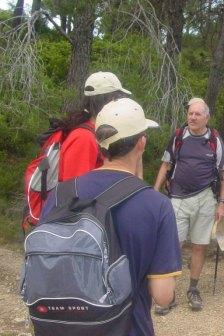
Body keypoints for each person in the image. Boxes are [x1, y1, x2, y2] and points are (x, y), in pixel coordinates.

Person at [39, 98, 181, 336]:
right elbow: (163, 296)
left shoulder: (60, 195)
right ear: (141, 142)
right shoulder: (156, 206)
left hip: (61, 327)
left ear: (99, 143)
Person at [154, 97, 224, 312]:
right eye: (190, 114)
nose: (192, 117)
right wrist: (153, 192)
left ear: (207, 117)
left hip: (206, 198)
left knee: (200, 245)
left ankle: (193, 288)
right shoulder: (179, 136)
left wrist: (221, 203)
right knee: (172, 245)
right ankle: (169, 293)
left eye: (197, 114)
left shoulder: (214, 140)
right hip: (177, 198)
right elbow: (166, 165)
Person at [59, 71, 132, 181]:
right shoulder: (84, 138)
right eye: (119, 97)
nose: (120, 103)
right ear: (109, 100)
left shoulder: (98, 133)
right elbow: (75, 191)